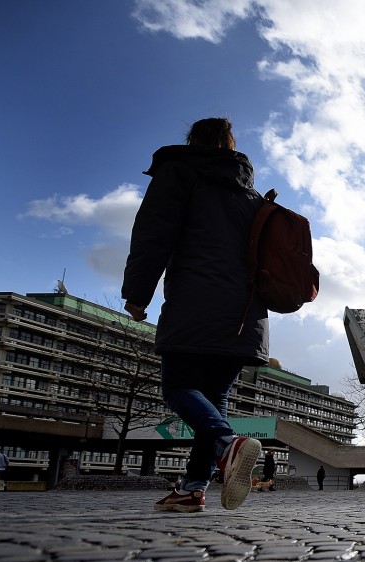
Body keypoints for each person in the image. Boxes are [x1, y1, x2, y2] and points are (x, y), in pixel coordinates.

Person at [122, 117, 265, 513]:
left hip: (194, 304)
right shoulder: (252, 198)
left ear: (192, 142)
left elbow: (153, 232)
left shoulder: (180, 172)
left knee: (179, 388)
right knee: (212, 400)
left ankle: (228, 444)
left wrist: (137, 293)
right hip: (246, 317)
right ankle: (192, 489)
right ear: (231, 146)